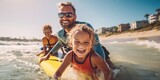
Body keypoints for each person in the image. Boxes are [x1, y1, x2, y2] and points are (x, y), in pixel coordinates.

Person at [40, 1, 115, 69]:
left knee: (112, 68)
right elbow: (59, 43)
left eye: (69, 14)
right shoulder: (60, 33)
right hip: (76, 52)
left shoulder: (85, 27)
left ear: (75, 17)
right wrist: (48, 55)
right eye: (61, 15)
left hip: (93, 51)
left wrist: (100, 68)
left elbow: (97, 46)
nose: (64, 17)